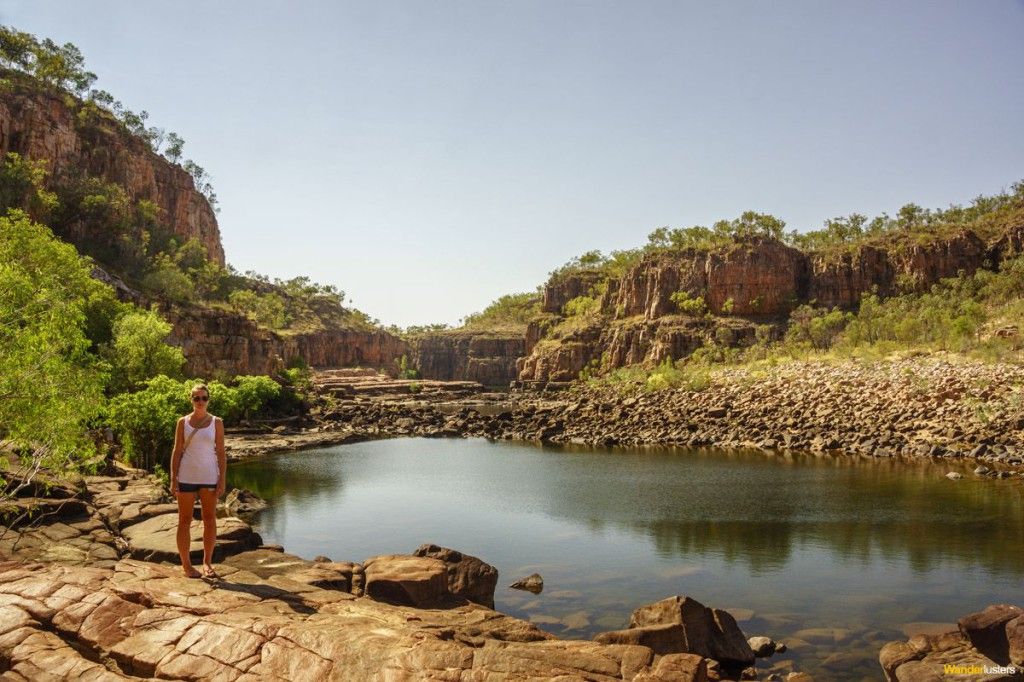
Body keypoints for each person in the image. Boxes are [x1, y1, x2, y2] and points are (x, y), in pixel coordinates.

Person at [169, 383, 226, 578]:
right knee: (184, 520)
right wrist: (173, 478)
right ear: (191, 400)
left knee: (209, 520)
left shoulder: (216, 422)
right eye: (196, 398)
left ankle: (207, 563)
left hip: (209, 476)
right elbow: (177, 451)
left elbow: (221, 453)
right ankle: (186, 566)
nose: (200, 402)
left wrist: (222, 479)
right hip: (186, 477)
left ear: (208, 400)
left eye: (204, 398)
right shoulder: (182, 422)